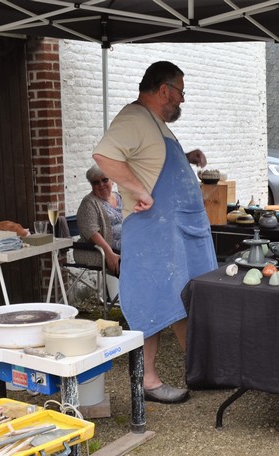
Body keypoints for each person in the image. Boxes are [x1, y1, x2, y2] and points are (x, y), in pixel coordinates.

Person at [92, 61, 217, 404]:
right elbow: (104, 156)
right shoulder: (133, 118)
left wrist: (186, 157)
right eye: (180, 92)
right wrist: (139, 191)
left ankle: (202, 370)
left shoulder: (153, 123)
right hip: (153, 231)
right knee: (153, 301)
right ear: (164, 90)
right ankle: (147, 380)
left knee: (184, 298)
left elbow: (148, 161)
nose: (182, 100)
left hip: (175, 230)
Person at [74, 164, 123, 275]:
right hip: (105, 250)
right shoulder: (89, 203)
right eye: (96, 182)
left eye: (105, 180)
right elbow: (91, 232)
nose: (101, 185)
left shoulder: (120, 197)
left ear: (112, 180)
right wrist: (109, 253)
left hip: (128, 245)